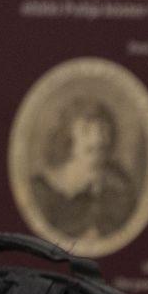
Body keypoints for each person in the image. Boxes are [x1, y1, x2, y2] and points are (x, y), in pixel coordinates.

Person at [30, 96, 138, 243]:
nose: (97, 139)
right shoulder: (43, 189)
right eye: (86, 130)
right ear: (68, 138)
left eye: (103, 130)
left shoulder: (122, 189)